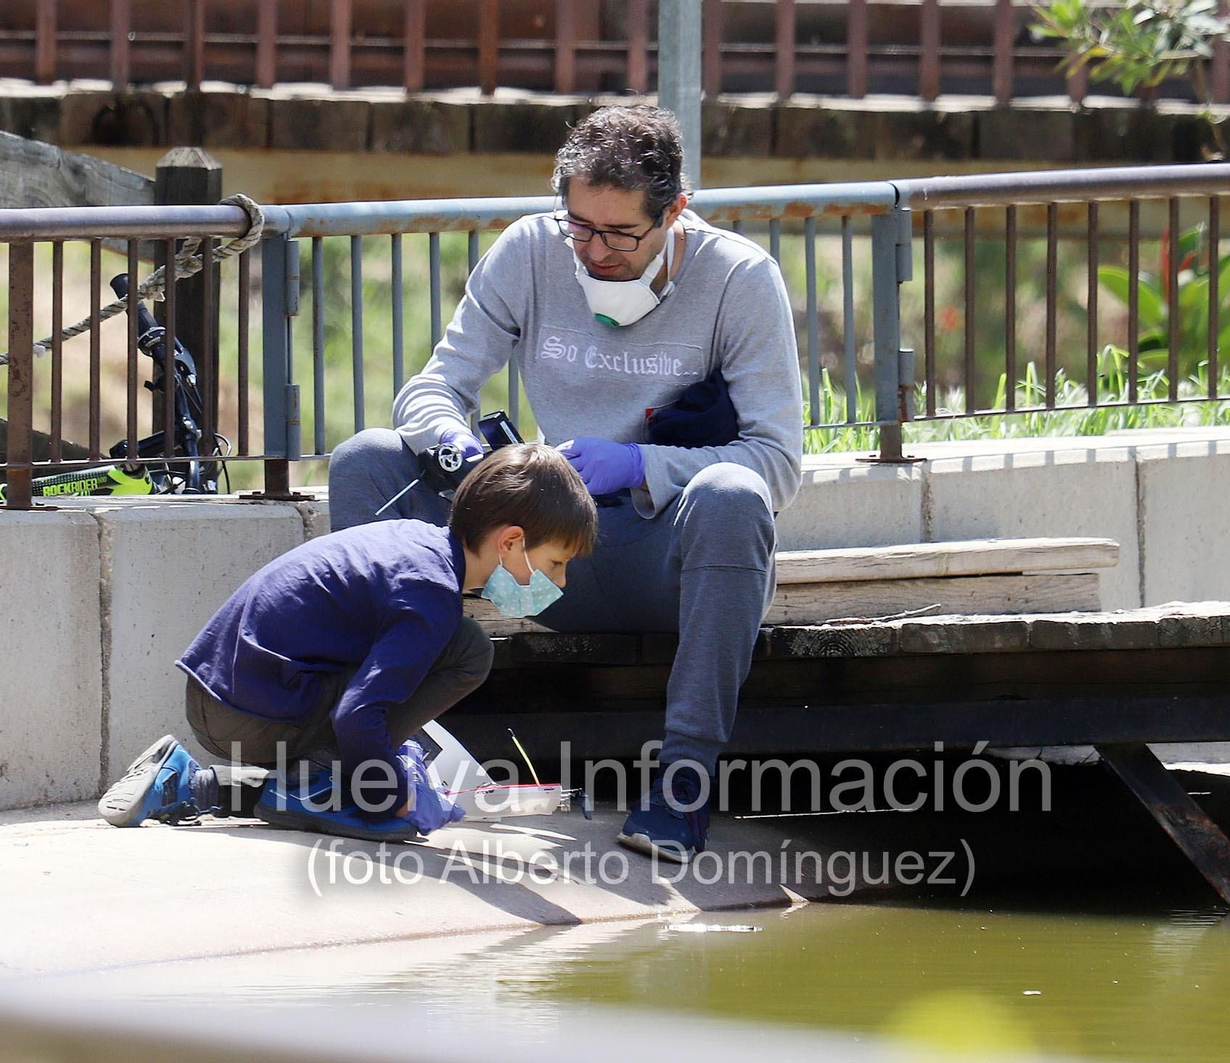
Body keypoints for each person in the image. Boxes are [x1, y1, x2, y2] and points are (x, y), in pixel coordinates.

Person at [327, 105, 804, 861]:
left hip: (664, 574)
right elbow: (430, 390)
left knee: (733, 497)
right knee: (368, 460)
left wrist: (642, 465)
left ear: (676, 210)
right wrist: (463, 458)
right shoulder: (532, 251)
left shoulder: (740, 279)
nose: (594, 251)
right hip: (539, 576)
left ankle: (682, 785)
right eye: (580, 227)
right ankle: (379, 746)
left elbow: (776, 462)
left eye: (620, 234)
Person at [97, 443, 599, 842]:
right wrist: (389, 795)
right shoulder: (430, 596)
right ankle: (335, 786)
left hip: (229, 699)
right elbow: (359, 713)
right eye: (556, 562)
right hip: (253, 713)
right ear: (510, 542)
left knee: (460, 644)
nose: (560, 582)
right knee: (469, 653)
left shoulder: (416, 544)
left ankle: (188, 782)